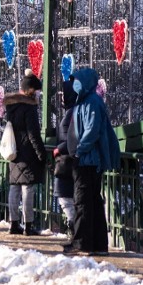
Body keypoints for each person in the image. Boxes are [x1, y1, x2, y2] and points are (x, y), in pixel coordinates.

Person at [63, 67, 121, 256]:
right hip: (86, 159)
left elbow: (92, 130)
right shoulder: (86, 101)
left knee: (83, 202)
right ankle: (97, 244)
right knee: (92, 202)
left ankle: (83, 243)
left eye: (77, 80)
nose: (74, 84)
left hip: (87, 160)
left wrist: (79, 151)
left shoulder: (91, 102)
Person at [4, 69, 47, 236]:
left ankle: (13, 223)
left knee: (14, 187)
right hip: (28, 153)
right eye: (37, 91)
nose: (38, 95)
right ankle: (28, 225)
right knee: (27, 188)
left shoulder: (12, 107)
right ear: (31, 91)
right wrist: (41, 154)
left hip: (14, 152)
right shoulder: (29, 108)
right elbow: (33, 134)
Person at [53, 79, 78, 239]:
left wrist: (59, 149)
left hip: (67, 161)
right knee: (67, 198)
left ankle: (74, 228)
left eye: (63, 94)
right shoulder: (72, 112)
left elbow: (73, 137)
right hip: (67, 160)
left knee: (65, 198)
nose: (61, 98)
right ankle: (74, 227)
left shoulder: (72, 113)